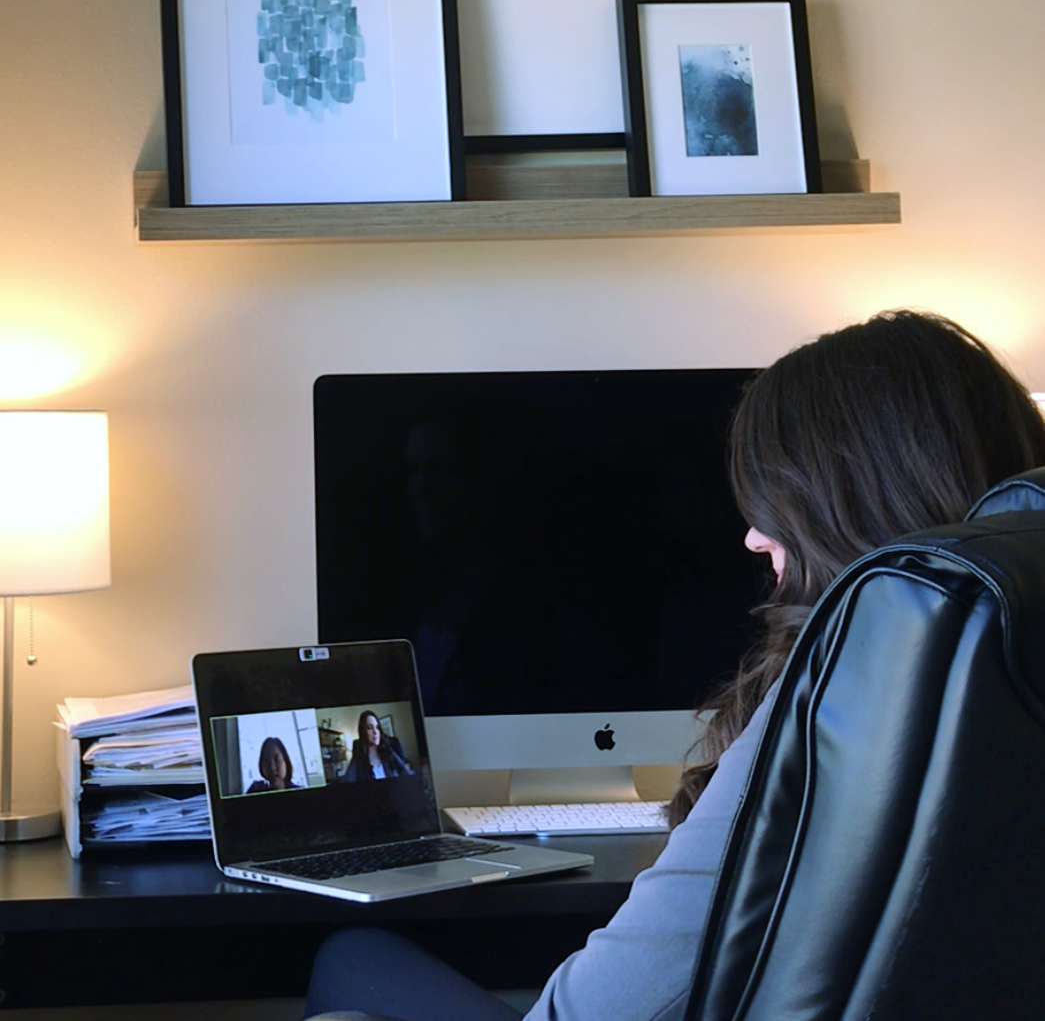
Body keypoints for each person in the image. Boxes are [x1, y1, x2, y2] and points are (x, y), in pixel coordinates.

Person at [303, 310, 1045, 1021]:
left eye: (776, 501)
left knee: (352, 957)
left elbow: (590, 1012)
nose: (754, 537)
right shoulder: (1001, 691)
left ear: (848, 500)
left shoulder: (833, 714)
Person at [340, 711, 415, 782]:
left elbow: (407, 775)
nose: (375, 732)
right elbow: (347, 782)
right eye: (370, 728)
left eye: (377, 727)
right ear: (363, 732)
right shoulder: (360, 760)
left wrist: (389, 749)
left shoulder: (389, 752)